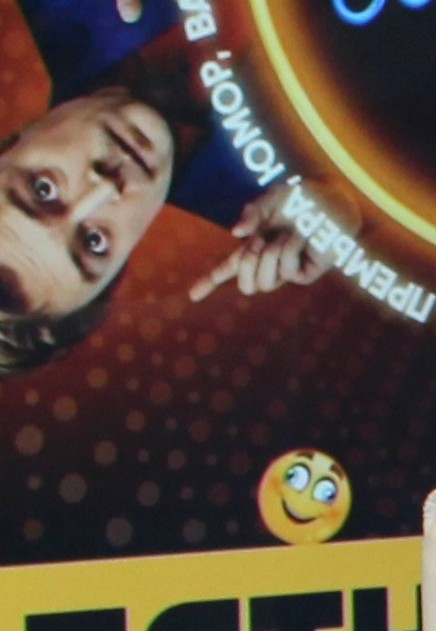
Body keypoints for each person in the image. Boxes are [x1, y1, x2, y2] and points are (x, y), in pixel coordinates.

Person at [0, 0, 353, 374]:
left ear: (10, 145)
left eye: (42, 190)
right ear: (118, 269)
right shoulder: (278, 205)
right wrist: (346, 202)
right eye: (94, 242)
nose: (104, 188)